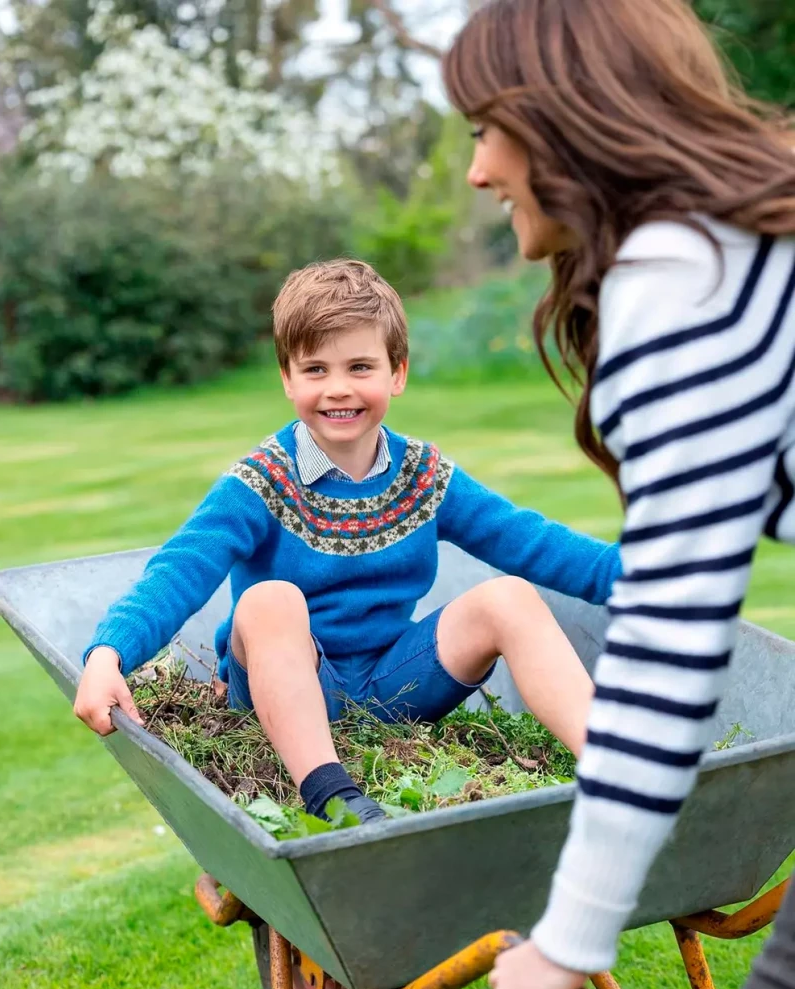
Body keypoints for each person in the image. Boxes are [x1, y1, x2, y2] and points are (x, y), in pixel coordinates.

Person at [442, 0, 795, 989]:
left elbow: (673, 639)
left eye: (482, 131)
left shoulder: (680, 279)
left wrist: (566, 939)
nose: (476, 172)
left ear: (559, 118)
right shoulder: (736, 243)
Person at [74, 258, 621, 826]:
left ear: (397, 373)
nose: (338, 389)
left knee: (508, 595)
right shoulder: (261, 481)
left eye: (361, 366)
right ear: (287, 378)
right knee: (269, 600)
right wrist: (110, 651)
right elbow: (181, 567)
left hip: (394, 682)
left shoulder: (422, 474)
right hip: (283, 687)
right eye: (315, 369)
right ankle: (332, 796)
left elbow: (530, 541)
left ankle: (612, 769)